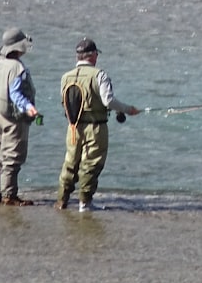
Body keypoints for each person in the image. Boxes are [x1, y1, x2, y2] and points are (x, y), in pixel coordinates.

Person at [55, 37, 140, 212]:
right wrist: (127, 109)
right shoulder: (100, 75)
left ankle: (62, 200)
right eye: (96, 54)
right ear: (93, 55)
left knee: (70, 163)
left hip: (72, 128)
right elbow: (108, 101)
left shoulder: (65, 77)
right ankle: (84, 203)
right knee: (90, 164)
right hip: (95, 127)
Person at [0, 28, 38, 206]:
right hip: (13, 118)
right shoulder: (17, 67)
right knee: (12, 157)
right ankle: (9, 196)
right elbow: (16, 94)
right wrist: (30, 108)